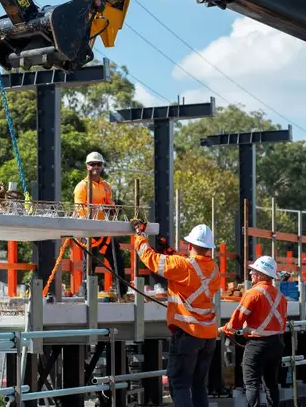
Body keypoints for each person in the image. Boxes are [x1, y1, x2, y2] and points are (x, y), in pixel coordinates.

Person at [132, 219, 220, 407]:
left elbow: (152, 260)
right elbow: (192, 269)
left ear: (189, 245)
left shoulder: (182, 266)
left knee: (179, 384)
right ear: (209, 248)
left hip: (187, 334)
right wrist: (170, 252)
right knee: (198, 386)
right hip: (209, 337)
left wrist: (139, 236)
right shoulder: (214, 269)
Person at [219, 256, 287, 407]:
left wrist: (226, 330)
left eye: (254, 271)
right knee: (271, 383)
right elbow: (281, 323)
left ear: (262, 274)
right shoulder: (280, 296)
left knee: (251, 383)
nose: (251, 274)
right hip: (276, 343)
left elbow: (236, 321)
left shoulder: (253, 293)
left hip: (257, 345)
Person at [73, 151, 129, 300]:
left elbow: (109, 204)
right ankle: (86, 294)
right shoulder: (82, 187)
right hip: (88, 229)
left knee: (117, 259)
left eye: (98, 164)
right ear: (87, 166)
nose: (96, 167)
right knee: (89, 263)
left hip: (104, 230)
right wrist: (94, 216)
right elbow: (80, 209)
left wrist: (113, 209)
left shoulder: (106, 186)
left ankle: (122, 293)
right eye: (92, 164)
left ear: (102, 166)